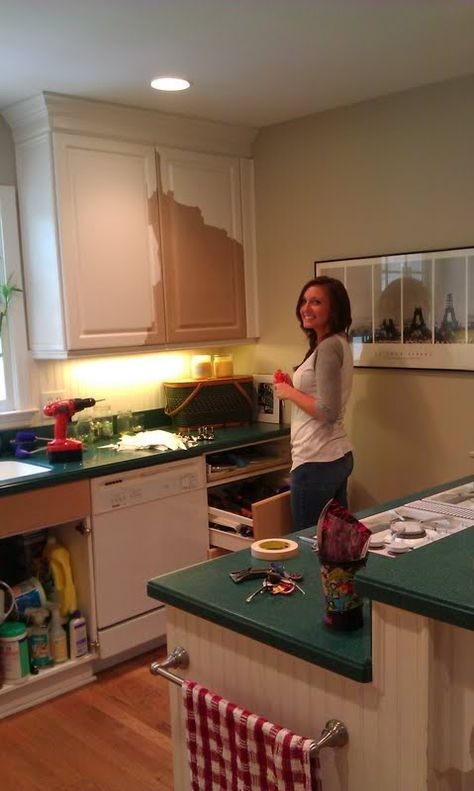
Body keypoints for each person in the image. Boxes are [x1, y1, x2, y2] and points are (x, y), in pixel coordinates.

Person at [274, 276, 353, 530]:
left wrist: (288, 391)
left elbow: (328, 411)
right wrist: (294, 388)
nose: (306, 308)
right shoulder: (337, 342)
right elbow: (322, 397)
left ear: (334, 310)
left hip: (317, 458)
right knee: (337, 541)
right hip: (334, 455)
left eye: (316, 302)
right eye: (304, 301)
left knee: (310, 540)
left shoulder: (329, 347)